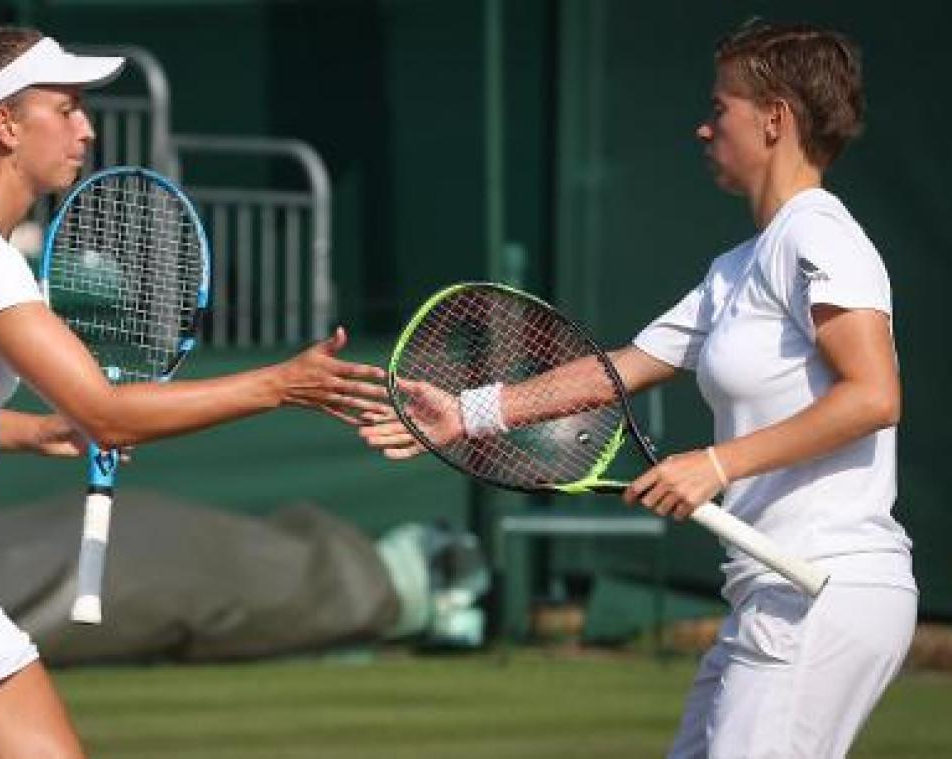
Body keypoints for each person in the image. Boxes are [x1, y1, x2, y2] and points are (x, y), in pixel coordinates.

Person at [0, 27, 386, 759]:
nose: (87, 128)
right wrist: (278, 384)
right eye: (66, 109)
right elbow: (104, 410)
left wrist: (41, 431)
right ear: (6, 125)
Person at [361, 20, 915, 759]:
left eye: (720, 107)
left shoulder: (819, 235)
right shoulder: (738, 268)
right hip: (769, 592)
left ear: (774, 119)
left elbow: (873, 396)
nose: (703, 127)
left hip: (821, 586)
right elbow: (615, 370)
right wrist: (468, 411)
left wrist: (715, 465)